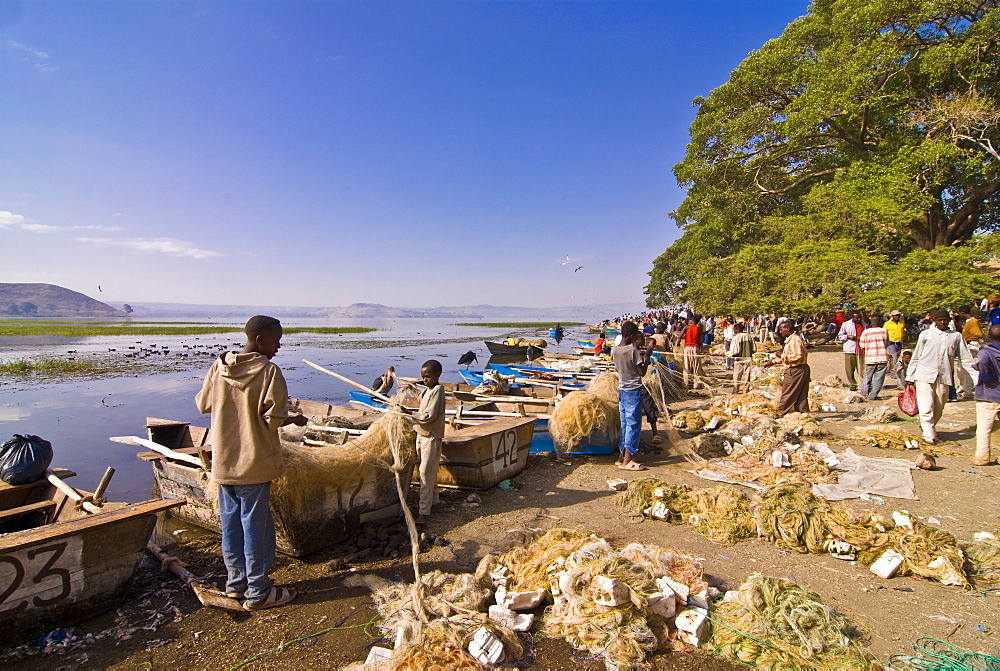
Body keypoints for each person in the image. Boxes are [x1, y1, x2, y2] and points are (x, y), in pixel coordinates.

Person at [195, 315, 307, 611]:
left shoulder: (219, 366)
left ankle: (236, 585)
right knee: (256, 527)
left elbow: (203, 404)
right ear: (260, 340)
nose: (279, 346)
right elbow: (273, 419)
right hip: (254, 463)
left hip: (224, 463)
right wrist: (294, 418)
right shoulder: (268, 372)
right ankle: (258, 592)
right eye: (276, 340)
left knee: (231, 525)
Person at [905, 308, 977, 444]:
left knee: (939, 406)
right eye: (939, 320)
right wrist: (910, 377)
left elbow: (966, 359)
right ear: (934, 321)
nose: (942, 322)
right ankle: (929, 435)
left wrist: (977, 378)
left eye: (945, 320)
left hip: (944, 377)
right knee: (926, 406)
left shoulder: (956, 336)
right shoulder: (926, 335)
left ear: (949, 321)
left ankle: (928, 427)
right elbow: (916, 356)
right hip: (924, 374)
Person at [410, 360, 446, 525]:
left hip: (430, 437)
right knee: (428, 470)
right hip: (421, 435)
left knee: (425, 473)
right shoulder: (428, 390)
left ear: (437, 375)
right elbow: (422, 396)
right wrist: (410, 388)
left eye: (428, 377)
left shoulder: (438, 391)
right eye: (422, 377)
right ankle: (436, 502)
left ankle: (424, 512)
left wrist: (409, 414)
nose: (425, 380)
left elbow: (429, 416)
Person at [612, 321, 649, 471]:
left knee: (625, 423)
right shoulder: (632, 350)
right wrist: (646, 358)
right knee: (633, 424)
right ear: (632, 335)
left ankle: (621, 456)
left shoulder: (614, 350)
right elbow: (641, 373)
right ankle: (627, 460)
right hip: (633, 389)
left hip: (622, 389)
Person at [764, 321, 810, 416]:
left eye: (781, 330)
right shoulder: (792, 340)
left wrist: (781, 355)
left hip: (796, 369)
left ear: (788, 329)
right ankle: (802, 413)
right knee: (801, 394)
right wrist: (773, 362)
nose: (780, 332)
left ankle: (781, 413)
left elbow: (797, 356)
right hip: (801, 368)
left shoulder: (794, 340)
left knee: (788, 392)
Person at [972, 325, 1000, 466]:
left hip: (988, 395)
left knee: (984, 428)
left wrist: (985, 376)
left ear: (989, 336)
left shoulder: (986, 352)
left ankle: (982, 458)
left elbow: (982, 363)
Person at [858, 315, 890, 400]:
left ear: (870, 322)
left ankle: (863, 394)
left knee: (867, 377)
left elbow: (862, 345)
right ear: (880, 322)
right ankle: (873, 396)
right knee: (878, 379)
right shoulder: (884, 331)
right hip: (882, 358)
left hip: (870, 358)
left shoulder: (866, 332)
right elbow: (886, 343)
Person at [837, 311, 867, 391]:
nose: (859, 319)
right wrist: (848, 337)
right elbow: (840, 336)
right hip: (850, 349)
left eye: (860, 317)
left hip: (861, 349)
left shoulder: (864, 325)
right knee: (849, 368)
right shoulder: (846, 324)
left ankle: (863, 384)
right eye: (857, 318)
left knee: (862, 368)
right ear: (852, 318)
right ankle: (853, 384)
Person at [729, 322, 756, 393]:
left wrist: (730, 355)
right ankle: (745, 390)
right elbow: (754, 349)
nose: (733, 331)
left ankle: (735, 390)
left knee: (737, 376)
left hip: (739, 359)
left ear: (737, 330)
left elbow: (735, 351)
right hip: (748, 358)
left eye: (734, 329)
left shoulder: (736, 338)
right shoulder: (749, 336)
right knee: (747, 376)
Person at [682, 317, 703, 389]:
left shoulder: (686, 327)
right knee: (696, 366)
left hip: (687, 348)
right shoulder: (698, 329)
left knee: (686, 366)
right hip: (695, 348)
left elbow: (679, 336)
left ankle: (686, 384)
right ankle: (696, 384)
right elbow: (700, 341)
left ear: (692, 320)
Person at [885, 311, 906, 376]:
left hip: (899, 342)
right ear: (892, 316)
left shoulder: (901, 323)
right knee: (894, 357)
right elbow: (884, 333)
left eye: (898, 315)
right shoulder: (887, 324)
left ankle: (888, 370)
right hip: (891, 342)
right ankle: (894, 373)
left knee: (896, 357)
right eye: (896, 315)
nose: (897, 317)